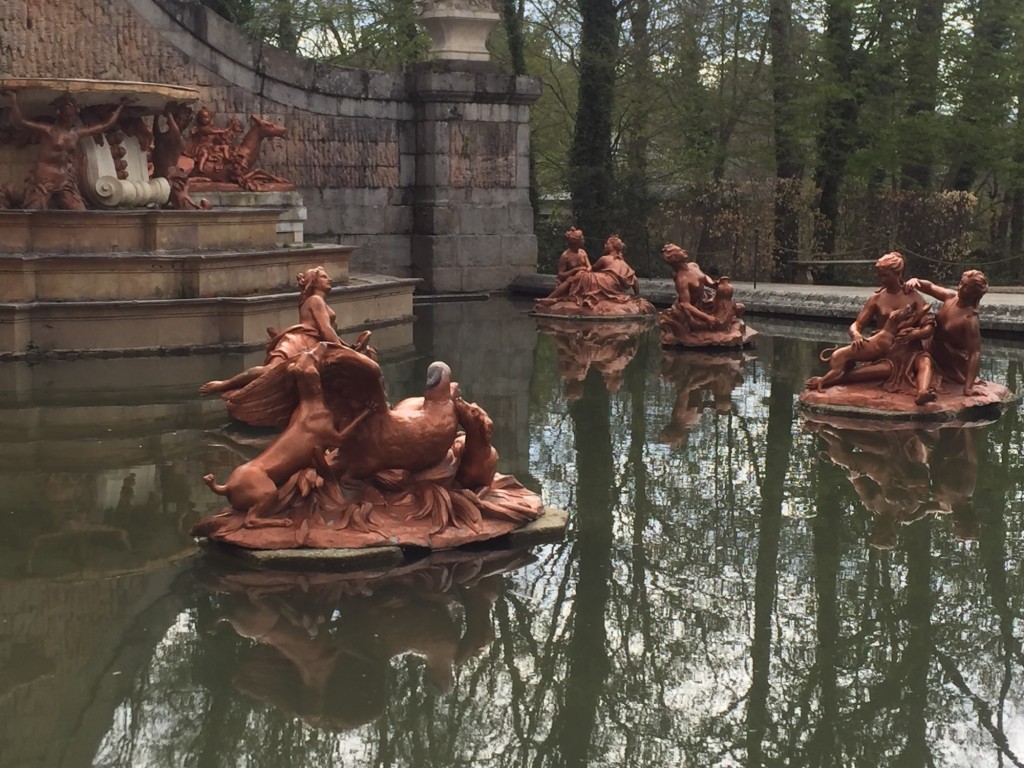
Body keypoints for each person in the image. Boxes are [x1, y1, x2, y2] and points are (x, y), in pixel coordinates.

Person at [200, 266, 369, 395]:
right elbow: (325, 330)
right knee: (270, 370)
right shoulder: (315, 300)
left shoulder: (318, 301)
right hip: (299, 342)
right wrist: (345, 351)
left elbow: (330, 332)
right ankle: (224, 384)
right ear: (314, 282)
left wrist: (348, 347)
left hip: (311, 343)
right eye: (324, 277)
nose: (329, 279)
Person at [805, 252, 938, 404]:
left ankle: (922, 392)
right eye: (879, 275)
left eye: (885, 276)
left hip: (910, 350)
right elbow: (857, 324)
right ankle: (831, 380)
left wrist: (915, 334)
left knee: (924, 362)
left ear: (897, 273)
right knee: (881, 370)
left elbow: (929, 327)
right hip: (884, 353)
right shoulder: (876, 299)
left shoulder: (913, 296)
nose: (881, 279)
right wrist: (856, 334)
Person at [2, 91, 127, 210]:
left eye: (72, 116)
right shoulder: (49, 130)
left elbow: (104, 126)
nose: (69, 119)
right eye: (66, 115)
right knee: (33, 211)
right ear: (59, 114)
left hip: (64, 179)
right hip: (45, 177)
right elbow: (21, 121)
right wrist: (13, 99)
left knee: (80, 212)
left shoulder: (76, 134)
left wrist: (121, 106)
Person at [904, 270, 988, 396]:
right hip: (932, 347)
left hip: (950, 362)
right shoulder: (951, 297)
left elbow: (975, 353)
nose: (960, 288)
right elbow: (931, 287)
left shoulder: (970, 320)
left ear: (974, 293)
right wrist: (916, 281)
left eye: (966, 287)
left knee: (916, 363)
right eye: (961, 283)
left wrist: (968, 387)